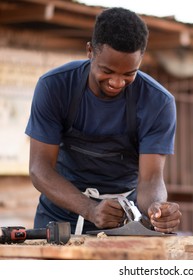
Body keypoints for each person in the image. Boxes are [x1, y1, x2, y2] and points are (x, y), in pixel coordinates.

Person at [25, 7, 181, 234]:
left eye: (129, 74)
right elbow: (40, 169)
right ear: (90, 51)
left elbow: (151, 178)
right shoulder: (55, 87)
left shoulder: (158, 103)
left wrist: (157, 208)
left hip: (123, 219)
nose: (117, 82)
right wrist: (90, 209)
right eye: (107, 71)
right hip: (59, 216)